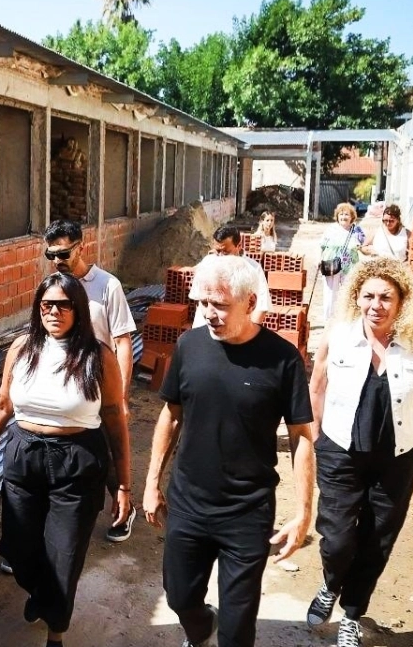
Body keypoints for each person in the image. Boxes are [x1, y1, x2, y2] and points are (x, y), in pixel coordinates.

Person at [142, 255, 314, 647]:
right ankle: (201, 628)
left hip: (247, 512)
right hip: (189, 502)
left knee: (238, 629)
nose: (209, 313)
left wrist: (304, 511)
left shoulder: (283, 360)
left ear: (250, 303)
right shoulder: (189, 345)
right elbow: (170, 417)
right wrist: (152, 482)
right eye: (203, 303)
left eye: (219, 304)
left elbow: (302, 437)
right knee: (180, 597)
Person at [0, 272, 129, 647]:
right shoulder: (22, 348)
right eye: (46, 304)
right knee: (19, 549)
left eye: (63, 304)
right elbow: (2, 404)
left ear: (78, 309)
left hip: (78, 462)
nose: (54, 312)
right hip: (24, 456)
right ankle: (40, 595)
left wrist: (122, 484)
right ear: (37, 307)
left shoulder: (98, 356)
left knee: (64, 555)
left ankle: (55, 633)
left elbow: (115, 420)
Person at [306, 259, 413, 647]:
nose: (376, 305)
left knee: (379, 537)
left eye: (386, 297)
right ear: (357, 298)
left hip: (397, 456)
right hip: (341, 450)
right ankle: (331, 584)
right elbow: (316, 386)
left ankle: (351, 612)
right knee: (337, 537)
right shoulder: (340, 335)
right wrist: (316, 439)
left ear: (401, 302)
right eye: (368, 296)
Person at [43, 220, 137, 543]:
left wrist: (121, 396)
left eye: (64, 253)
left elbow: (123, 342)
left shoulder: (107, 286)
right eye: (51, 255)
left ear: (81, 246)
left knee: (111, 452)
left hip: (100, 385)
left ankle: (124, 508)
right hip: (66, 390)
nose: (58, 261)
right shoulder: (54, 286)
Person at [191, 225, 271, 327]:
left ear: (238, 246)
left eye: (225, 252)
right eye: (217, 251)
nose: (220, 257)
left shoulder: (253, 269)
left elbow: (261, 307)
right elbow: (198, 298)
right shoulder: (207, 264)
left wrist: (248, 337)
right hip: (204, 331)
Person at [319, 203, 366, 321]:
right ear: (337, 216)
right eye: (341, 214)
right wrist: (318, 259)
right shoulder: (331, 229)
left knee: (349, 292)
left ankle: (347, 319)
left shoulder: (357, 230)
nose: (343, 217)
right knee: (330, 294)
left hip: (350, 266)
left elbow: (363, 245)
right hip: (331, 264)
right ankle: (328, 321)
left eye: (347, 214)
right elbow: (321, 245)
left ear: (352, 217)